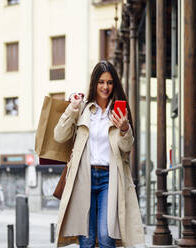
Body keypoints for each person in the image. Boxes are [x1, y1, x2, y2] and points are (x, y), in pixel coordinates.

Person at [54, 61, 145, 247]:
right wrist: (71, 109)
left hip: (109, 179)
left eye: (110, 82)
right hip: (83, 177)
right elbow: (59, 135)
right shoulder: (83, 110)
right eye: (101, 82)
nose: (105, 87)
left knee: (105, 236)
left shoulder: (119, 112)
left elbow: (126, 148)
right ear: (94, 83)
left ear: (115, 84)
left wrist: (124, 128)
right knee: (86, 239)